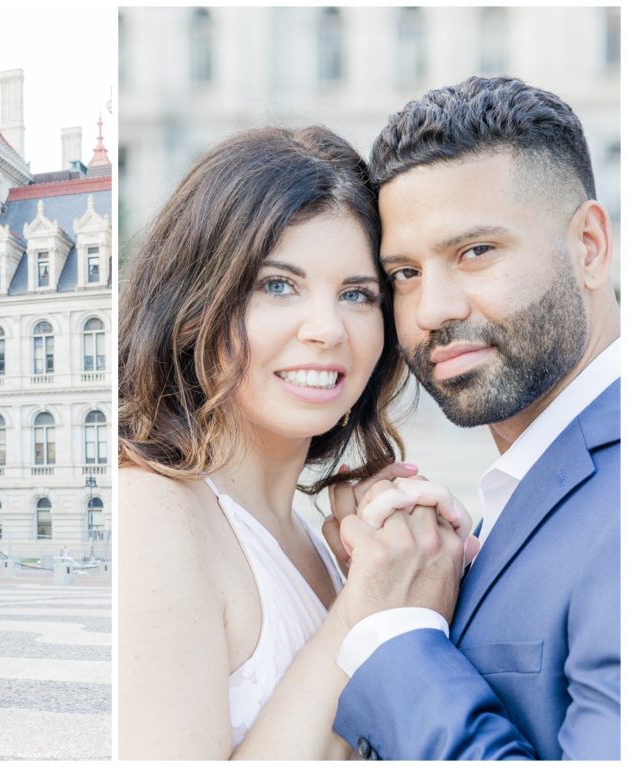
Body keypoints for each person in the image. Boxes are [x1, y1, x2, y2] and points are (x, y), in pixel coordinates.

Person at [118, 126, 473, 759]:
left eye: (358, 294)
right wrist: (368, 607)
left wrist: (407, 582)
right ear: (196, 302)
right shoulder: (153, 510)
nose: (327, 329)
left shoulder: (312, 536)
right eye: (278, 285)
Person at [326, 76, 620, 759]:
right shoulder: (516, 491)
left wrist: (398, 633)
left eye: (476, 252)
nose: (433, 309)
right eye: (403, 273)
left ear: (590, 247)